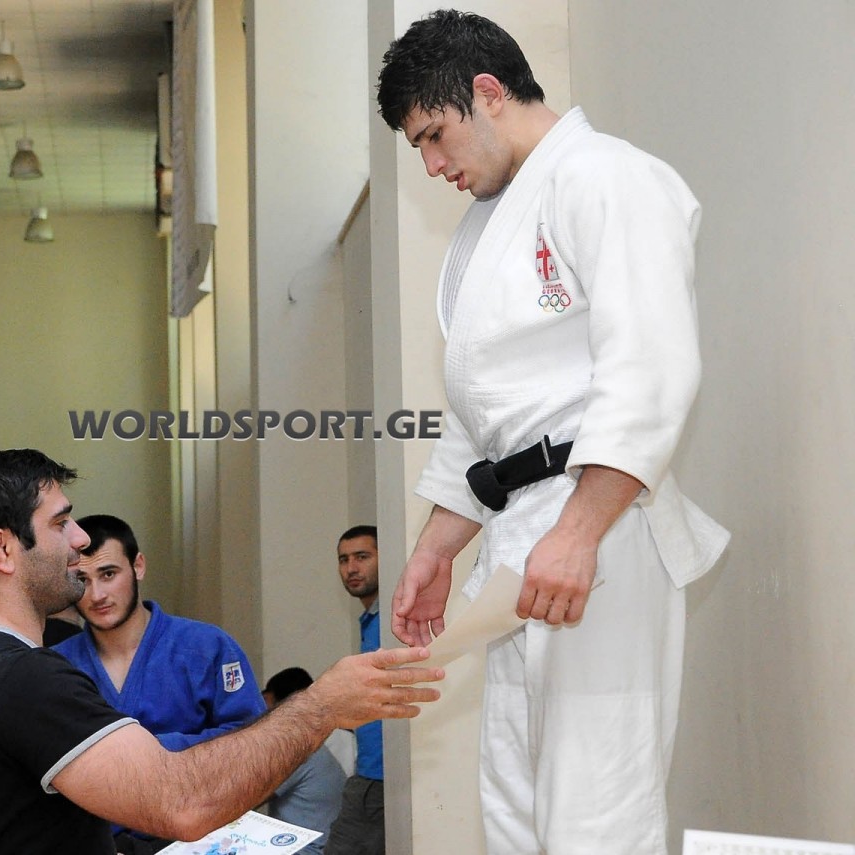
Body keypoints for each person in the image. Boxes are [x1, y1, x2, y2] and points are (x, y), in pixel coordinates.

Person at [377, 11, 730, 855]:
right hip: (519, 543)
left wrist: (578, 533)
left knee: (594, 808)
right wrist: (437, 549)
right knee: (517, 806)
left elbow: (651, 369)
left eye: (434, 136)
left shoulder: (606, 176)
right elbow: (487, 414)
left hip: (598, 531)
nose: (432, 167)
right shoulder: (492, 220)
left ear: (488, 93)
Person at [0, 449, 443, 855]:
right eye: (61, 522)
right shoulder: (23, 677)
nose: (79, 539)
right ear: (3, 549)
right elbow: (182, 803)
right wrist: (321, 706)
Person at [54, 514, 267, 853]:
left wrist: (155, 751)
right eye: (82, 579)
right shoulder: (56, 666)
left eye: (108, 574)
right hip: (96, 843)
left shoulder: (206, 647)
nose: (97, 594)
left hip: (198, 837)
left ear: (138, 566)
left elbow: (254, 742)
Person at [324, 525, 385, 855]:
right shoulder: (371, 619)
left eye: (362, 557)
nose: (351, 568)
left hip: (382, 777)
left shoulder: (392, 618)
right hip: (371, 772)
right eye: (344, 559)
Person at [261, 668, 348, 855]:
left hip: (307, 849)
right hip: (326, 843)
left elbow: (246, 798)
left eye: (266, 707)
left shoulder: (297, 750)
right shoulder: (315, 743)